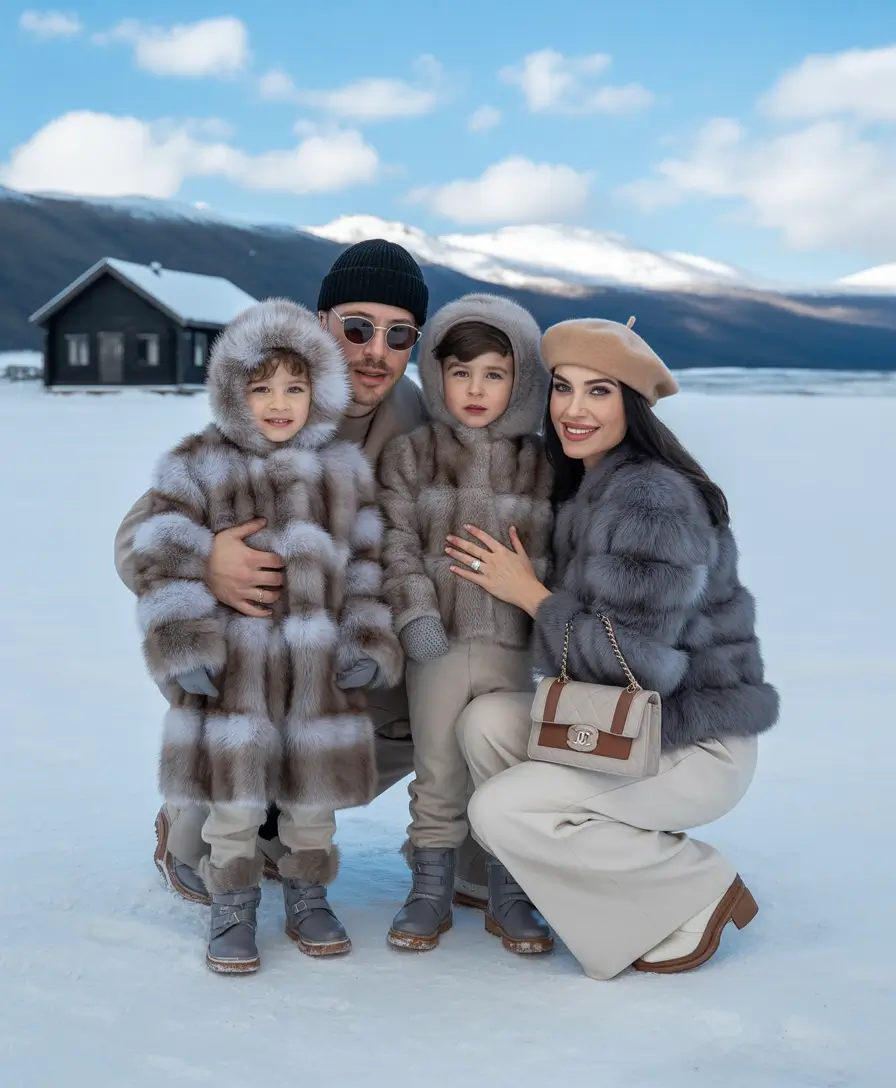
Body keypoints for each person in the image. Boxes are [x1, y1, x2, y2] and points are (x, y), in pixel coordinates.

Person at [114, 240, 490, 910]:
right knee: (212, 851)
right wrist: (208, 561)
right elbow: (134, 538)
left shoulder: (431, 422)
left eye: (399, 334)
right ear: (322, 325)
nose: (376, 350)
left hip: (358, 667)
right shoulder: (273, 404)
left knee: (478, 671)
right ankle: (196, 817)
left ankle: (461, 836)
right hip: (255, 673)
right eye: (357, 327)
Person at [444, 317, 780, 977]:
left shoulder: (651, 499)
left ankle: (692, 888)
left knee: (501, 807)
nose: (573, 409)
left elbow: (639, 662)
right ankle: (542, 883)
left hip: (691, 742)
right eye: (562, 389)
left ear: (631, 404)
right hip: (629, 726)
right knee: (485, 722)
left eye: (599, 392)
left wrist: (532, 596)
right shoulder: (586, 486)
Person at [133, 297, 403, 972]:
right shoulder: (199, 462)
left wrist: (368, 640)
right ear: (232, 392)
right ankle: (234, 900)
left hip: (318, 674)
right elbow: (160, 550)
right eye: (260, 389)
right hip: (239, 672)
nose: (279, 403)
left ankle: (309, 892)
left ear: (319, 390)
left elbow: (366, 566)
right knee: (238, 798)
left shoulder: (343, 470)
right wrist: (184, 640)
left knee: (312, 796)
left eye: (294, 387)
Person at [378, 294, 555, 952]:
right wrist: (416, 613)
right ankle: (430, 888)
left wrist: (547, 615)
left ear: (521, 380)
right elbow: (393, 546)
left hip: (516, 648)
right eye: (460, 372)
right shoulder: (413, 455)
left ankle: (510, 892)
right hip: (439, 647)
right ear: (437, 374)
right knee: (439, 767)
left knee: (507, 764)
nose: (475, 389)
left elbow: (560, 554)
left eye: (494, 374)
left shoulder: (540, 464)